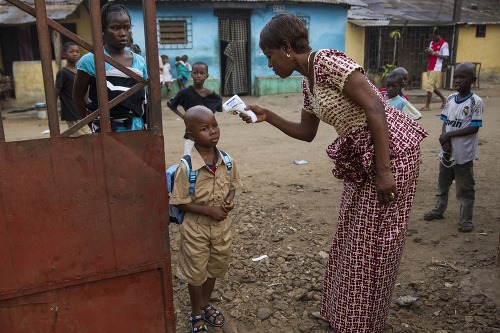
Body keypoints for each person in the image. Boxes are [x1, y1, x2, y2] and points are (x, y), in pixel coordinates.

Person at [238, 13, 428, 333]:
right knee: (350, 238)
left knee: (372, 244)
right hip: (361, 158)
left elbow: (375, 107)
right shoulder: (307, 82)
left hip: (391, 153)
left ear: (286, 48)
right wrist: (267, 115)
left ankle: (364, 324)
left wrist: (384, 171)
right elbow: (306, 132)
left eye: (269, 56)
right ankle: (346, 318)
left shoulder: (327, 61)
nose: (269, 64)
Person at [169, 105, 243, 333]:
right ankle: (196, 312)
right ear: (191, 136)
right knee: (195, 272)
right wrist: (209, 211)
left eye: (214, 125)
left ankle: (205, 303)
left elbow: (232, 187)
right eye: (204, 128)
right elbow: (179, 201)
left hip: (221, 229)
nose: (212, 131)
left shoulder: (227, 161)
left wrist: (229, 200)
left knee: (214, 267)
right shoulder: (187, 166)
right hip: (196, 230)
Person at [423, 62, 483, 232]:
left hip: (463, 152)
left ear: (473, 80)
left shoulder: (475, 101)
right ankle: (439, 209)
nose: (457, 80)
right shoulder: (450, 99)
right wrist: (445, 140)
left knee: (465, 187)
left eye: (462, 77)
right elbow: (445, 122)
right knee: (443, 182)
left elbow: (474, 127)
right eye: (456, 77)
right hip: (447, 150)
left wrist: (449, 135)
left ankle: (466, 219)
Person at [73, 3, 148, 133]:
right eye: (115, 28)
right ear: (103, 30)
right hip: (106, 131)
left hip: (137, 129)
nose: (123, 33)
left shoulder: (140, 61)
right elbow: (78, 97)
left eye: (127, 28)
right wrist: (94, 125)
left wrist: (149, 127)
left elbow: (145, 97)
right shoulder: (90, 60)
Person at [167, 62, 222, 155]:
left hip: (208, 135)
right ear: (191, 75)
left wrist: (210, 117)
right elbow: (171, 104)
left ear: (207, 76)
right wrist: (183, 116)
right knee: (188, 157)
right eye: (195, 73)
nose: (198, 76)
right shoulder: (185, 92)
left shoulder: (210, 94)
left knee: (211, 157)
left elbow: (219, 103)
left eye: (202, 73)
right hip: (191, 134)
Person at [55, 42, 91, 136]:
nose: (75, 54)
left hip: (84, 110)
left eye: (77, 52)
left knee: (85, 137)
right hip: (72, 112)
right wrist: (53, 109)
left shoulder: (81, 71)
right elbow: (56, 91)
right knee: (85, 137)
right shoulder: (63, 73)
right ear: (64, 54)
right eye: (71, 51)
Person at [421, 27, 449, 111]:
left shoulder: (444, 44)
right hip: (430, 66)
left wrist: (433, 53)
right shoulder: (432, 43)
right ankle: (444, 99)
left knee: (429, 86)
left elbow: (446, 56)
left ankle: (427, 106)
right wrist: (428, 52)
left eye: (433, 37)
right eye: (431, 37)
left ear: (438, 35)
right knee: (432, 86)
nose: (432, 38)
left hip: (437, 67)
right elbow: (430, 54)